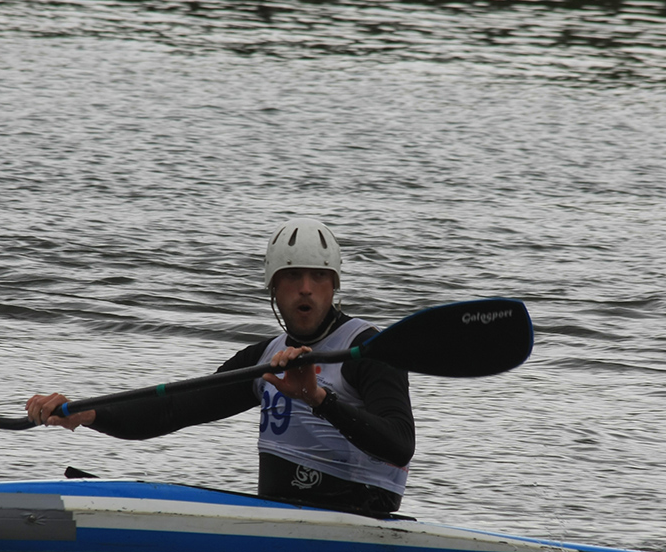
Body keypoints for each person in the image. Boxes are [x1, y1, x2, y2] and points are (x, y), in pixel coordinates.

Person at [26, 217, 415, 516]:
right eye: (292, 275)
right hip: (281, 517)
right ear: (273, 287)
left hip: (359, 517)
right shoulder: (264, 357)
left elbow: (400, 445)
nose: (306, 288)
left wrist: (318, 399)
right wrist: (90, 414)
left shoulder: (367, 350)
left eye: (319, 276)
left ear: (334, 285)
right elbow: (174, 408)